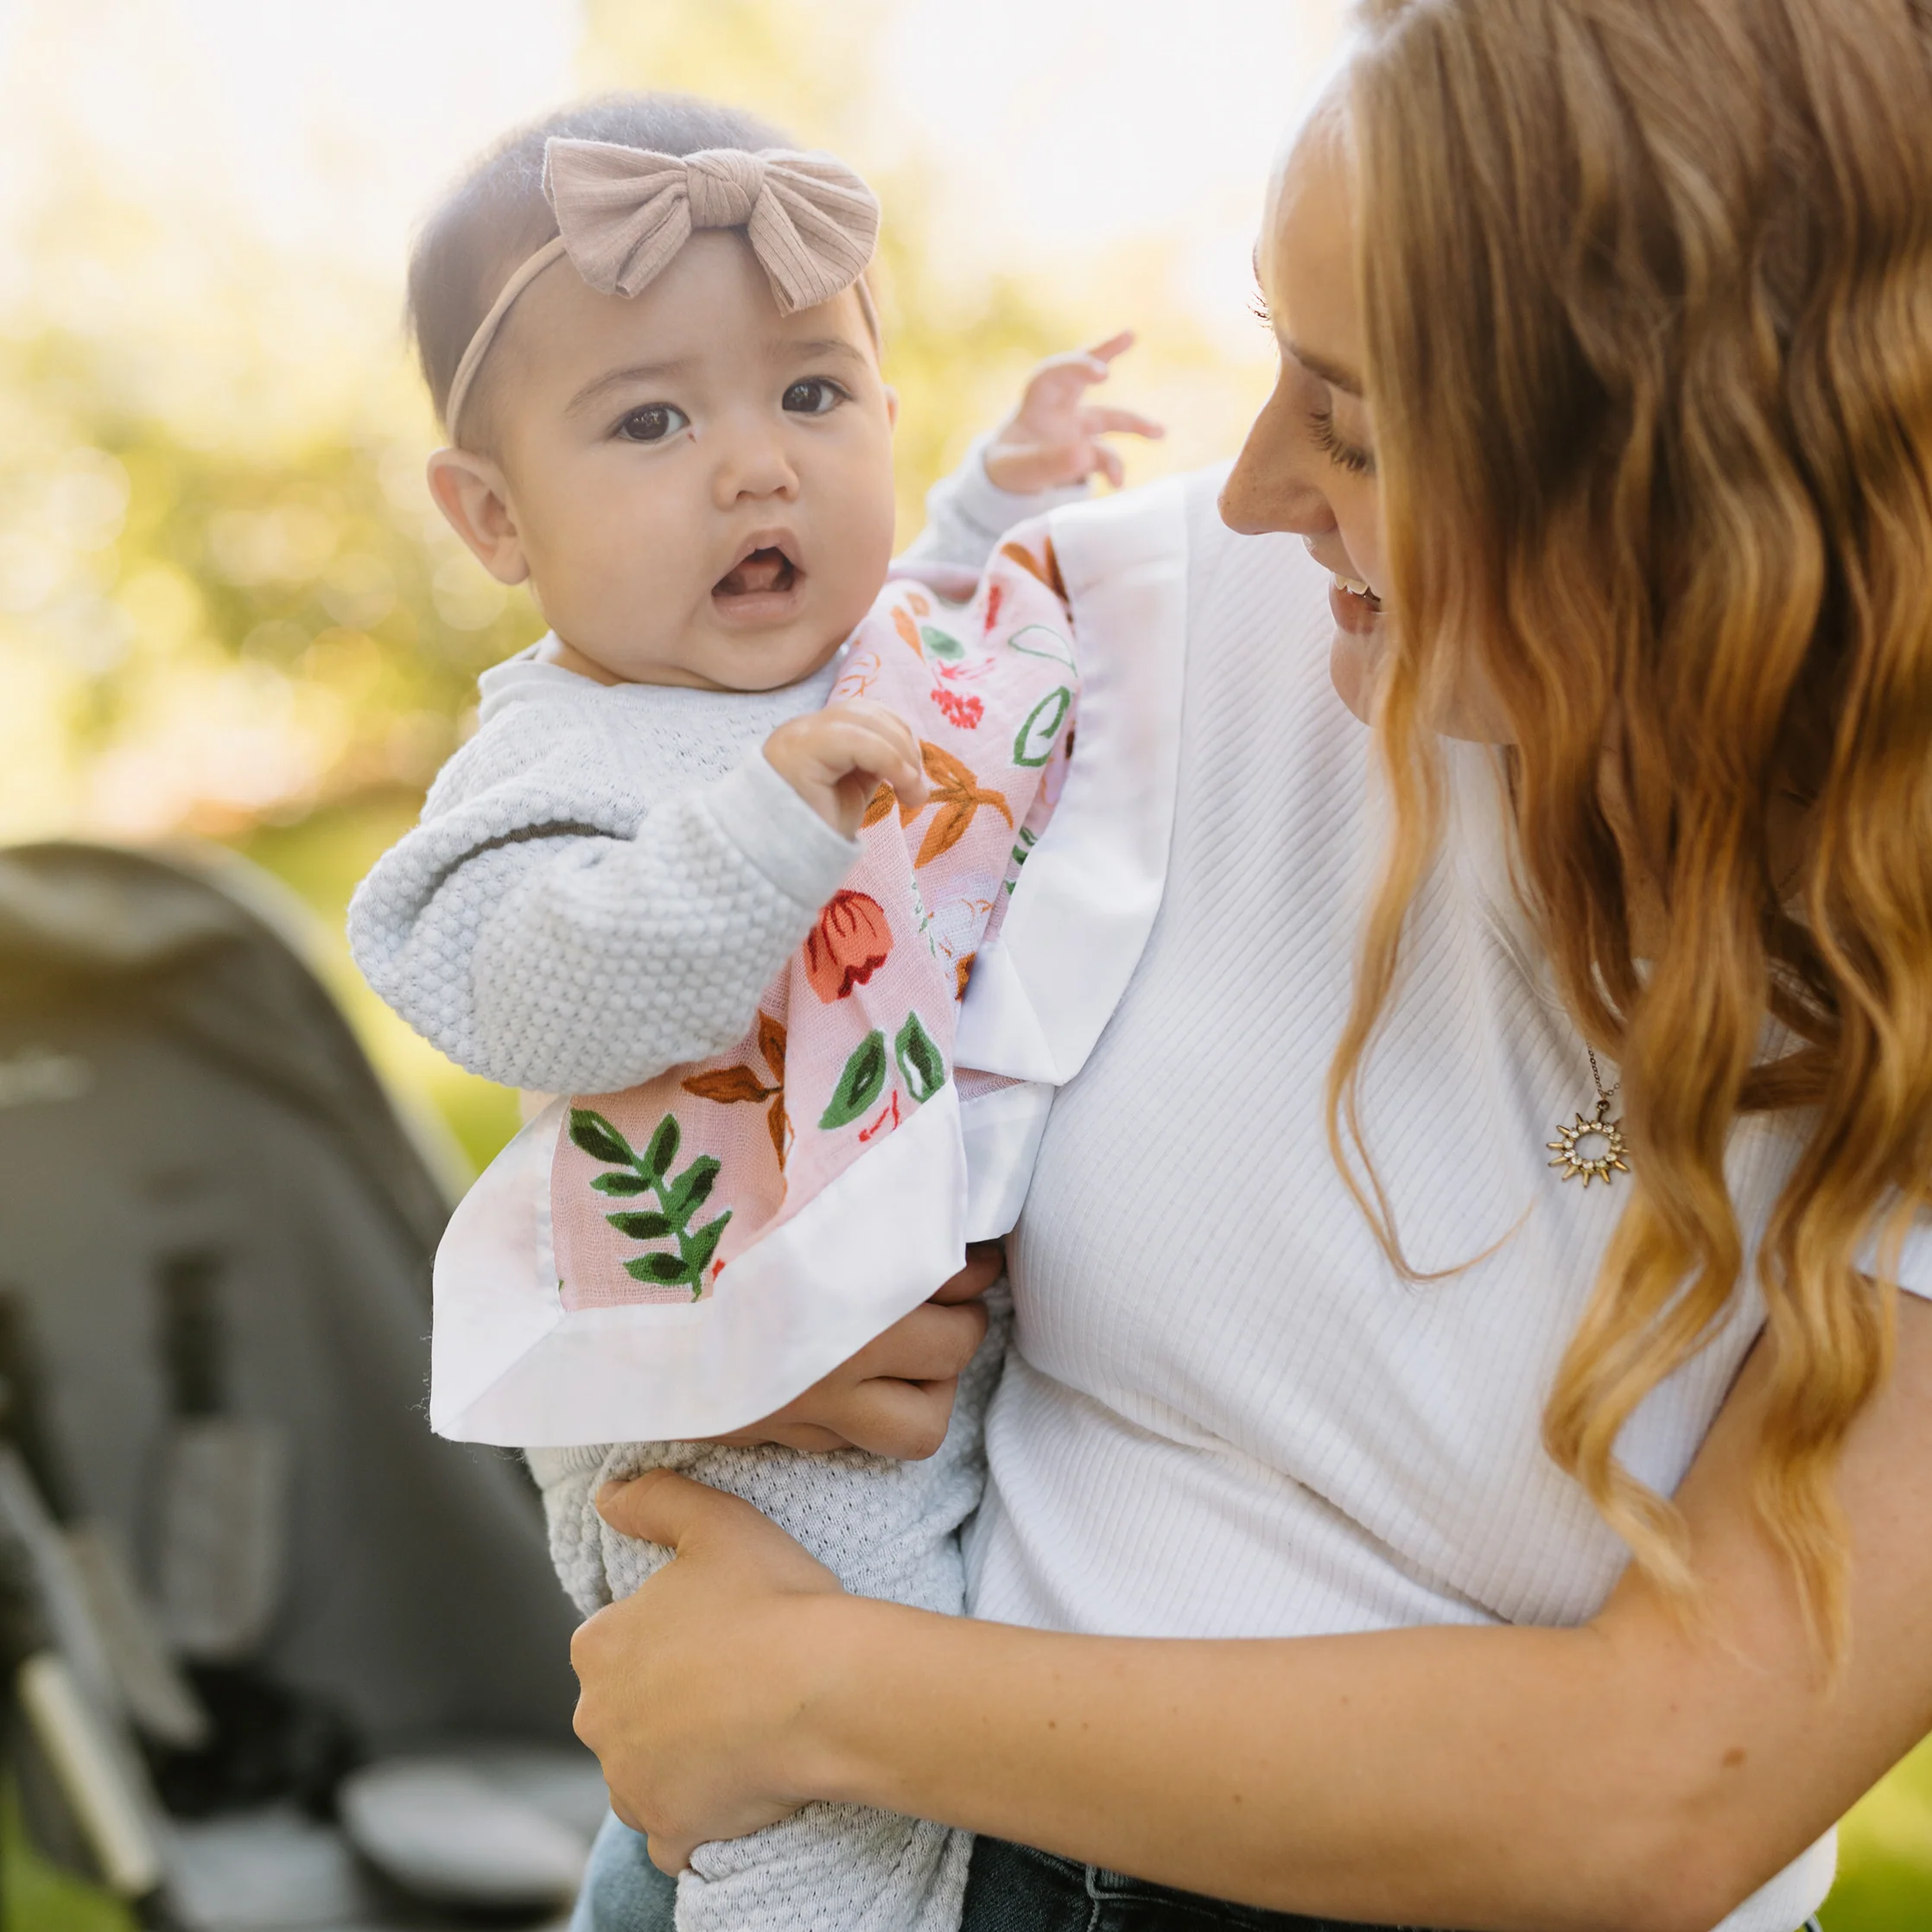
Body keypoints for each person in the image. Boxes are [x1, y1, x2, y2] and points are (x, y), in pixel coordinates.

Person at [564, 3, 1932, 1929]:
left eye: (1358, 426)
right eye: (1279, 359)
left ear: (1696, 484)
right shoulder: (1138, 638)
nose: (1254, 487)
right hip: (851, 1866)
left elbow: (1666, 1790)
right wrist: (754, 1284)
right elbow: (608, 971)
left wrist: (813, 1691)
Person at [348, 91, 1165, 1932]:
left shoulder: (848, 659)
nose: (756, 470)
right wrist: (756, 835)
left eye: (811, 394)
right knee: (803, 1818)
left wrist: (1001, 500)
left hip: (919, 1353)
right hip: (733, 1421)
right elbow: (526, 982)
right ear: (493, 515)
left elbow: (936, 623)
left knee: (904, 1735)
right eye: (651, 420)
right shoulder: (564, 751)